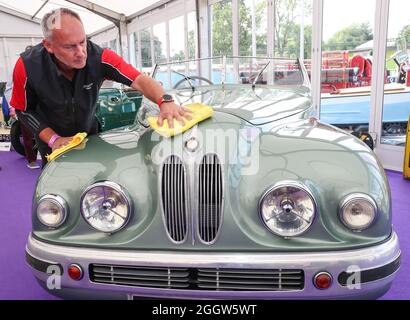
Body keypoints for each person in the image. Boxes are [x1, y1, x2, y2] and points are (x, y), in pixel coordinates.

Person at [9, 8, 191, 167]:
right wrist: (53, 139)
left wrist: (165, 100)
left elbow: (139, 79)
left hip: (90, 134)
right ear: (48, 45)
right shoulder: (26, 66)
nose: (81, 53)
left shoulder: (101, 57)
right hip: (52, 139)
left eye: (83, 42)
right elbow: (23, 110)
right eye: (70, 46)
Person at [5, 45, 40, 169]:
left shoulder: (39, 68)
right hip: (23, 106)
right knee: (27, 134)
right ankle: (31, 160)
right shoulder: (16, 67)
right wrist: (12, 107)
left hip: (39, 106)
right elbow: (9, 88)